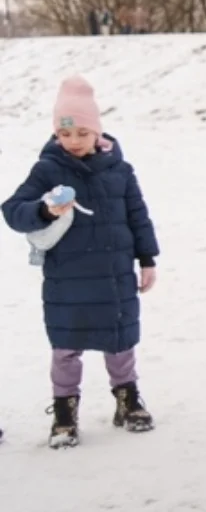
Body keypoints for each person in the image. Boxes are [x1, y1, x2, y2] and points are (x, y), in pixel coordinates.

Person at [1, 76, 160, 448]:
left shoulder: (120, 171)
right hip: (67, 279)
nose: (73, 141)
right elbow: (12, 211)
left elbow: (138, 216)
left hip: (114, 274)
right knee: (66, 347)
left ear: (97, 132)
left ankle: (127, 399)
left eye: (81, 133)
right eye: (64, 134)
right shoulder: (47, 169)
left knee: (120, 342)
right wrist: (43, 209)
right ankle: (64, 411)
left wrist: (147, 258)